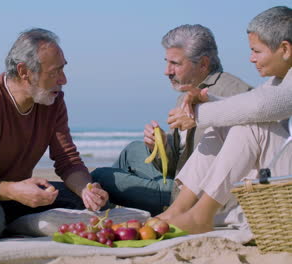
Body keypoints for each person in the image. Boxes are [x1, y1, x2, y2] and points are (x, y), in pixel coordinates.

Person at [0, 28, 109, 241]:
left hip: (22, 192)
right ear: (24, 72)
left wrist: (86, 190)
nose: (63, 79)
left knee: (88, 204)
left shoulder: (53, 100)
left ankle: (19, 221)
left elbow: (67, 159)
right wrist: (15, 191)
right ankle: (14, 222)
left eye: (63, 69)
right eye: (54, 72)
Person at [91, 24, 251, 216]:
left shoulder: (236, 93)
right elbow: (176, 164)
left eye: (175, 63)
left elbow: (244, 152)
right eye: (167, 62)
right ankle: (108, 211)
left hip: (195, 197)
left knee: (100, 176)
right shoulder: (185, 92)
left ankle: (104, 213)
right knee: (132, 150)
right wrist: (159, 147)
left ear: (203, 64)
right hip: (179, 178)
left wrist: (201, 117)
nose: (167, 71)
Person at [158, 5, 292, 234]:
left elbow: (260, 106)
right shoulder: (280, 79)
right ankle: (177, 210)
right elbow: (253, 101)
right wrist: (205, 100)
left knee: (248, 126)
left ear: (285, 49)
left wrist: (197, 116)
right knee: (224, 126)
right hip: (281, 173)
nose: (251, 59)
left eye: (257, 51)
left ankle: (202, 215)